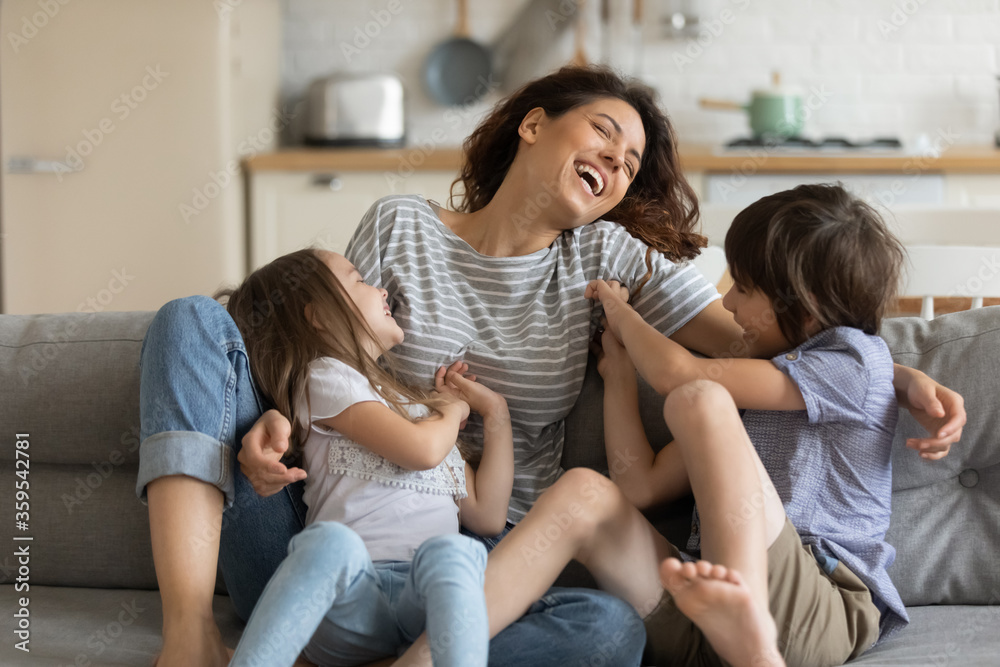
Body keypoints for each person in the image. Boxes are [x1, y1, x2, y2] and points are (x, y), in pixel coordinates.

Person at [137, 65, 965, 667]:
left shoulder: (609, 258)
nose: (618, 159)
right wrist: (275, 417)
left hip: (477, 569)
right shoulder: (398, 226)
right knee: (191, 320)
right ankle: (191, 643)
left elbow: (766, 337)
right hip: (324, 551)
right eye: (605, 130)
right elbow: (321, 347)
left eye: (633, 161)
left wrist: (893, 372)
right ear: (534, 125)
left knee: (608, 632)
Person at [219, 248, 514, 666]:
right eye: (359, 279)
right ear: (318, 315)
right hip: (351, 597)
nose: (380, 288)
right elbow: (422, 451)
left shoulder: (420, 415)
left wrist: (496, 413)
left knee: (459, 555)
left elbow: (486, 515)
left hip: (421, 601)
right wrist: (451, 410)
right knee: (331, 543)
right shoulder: (324, 377)